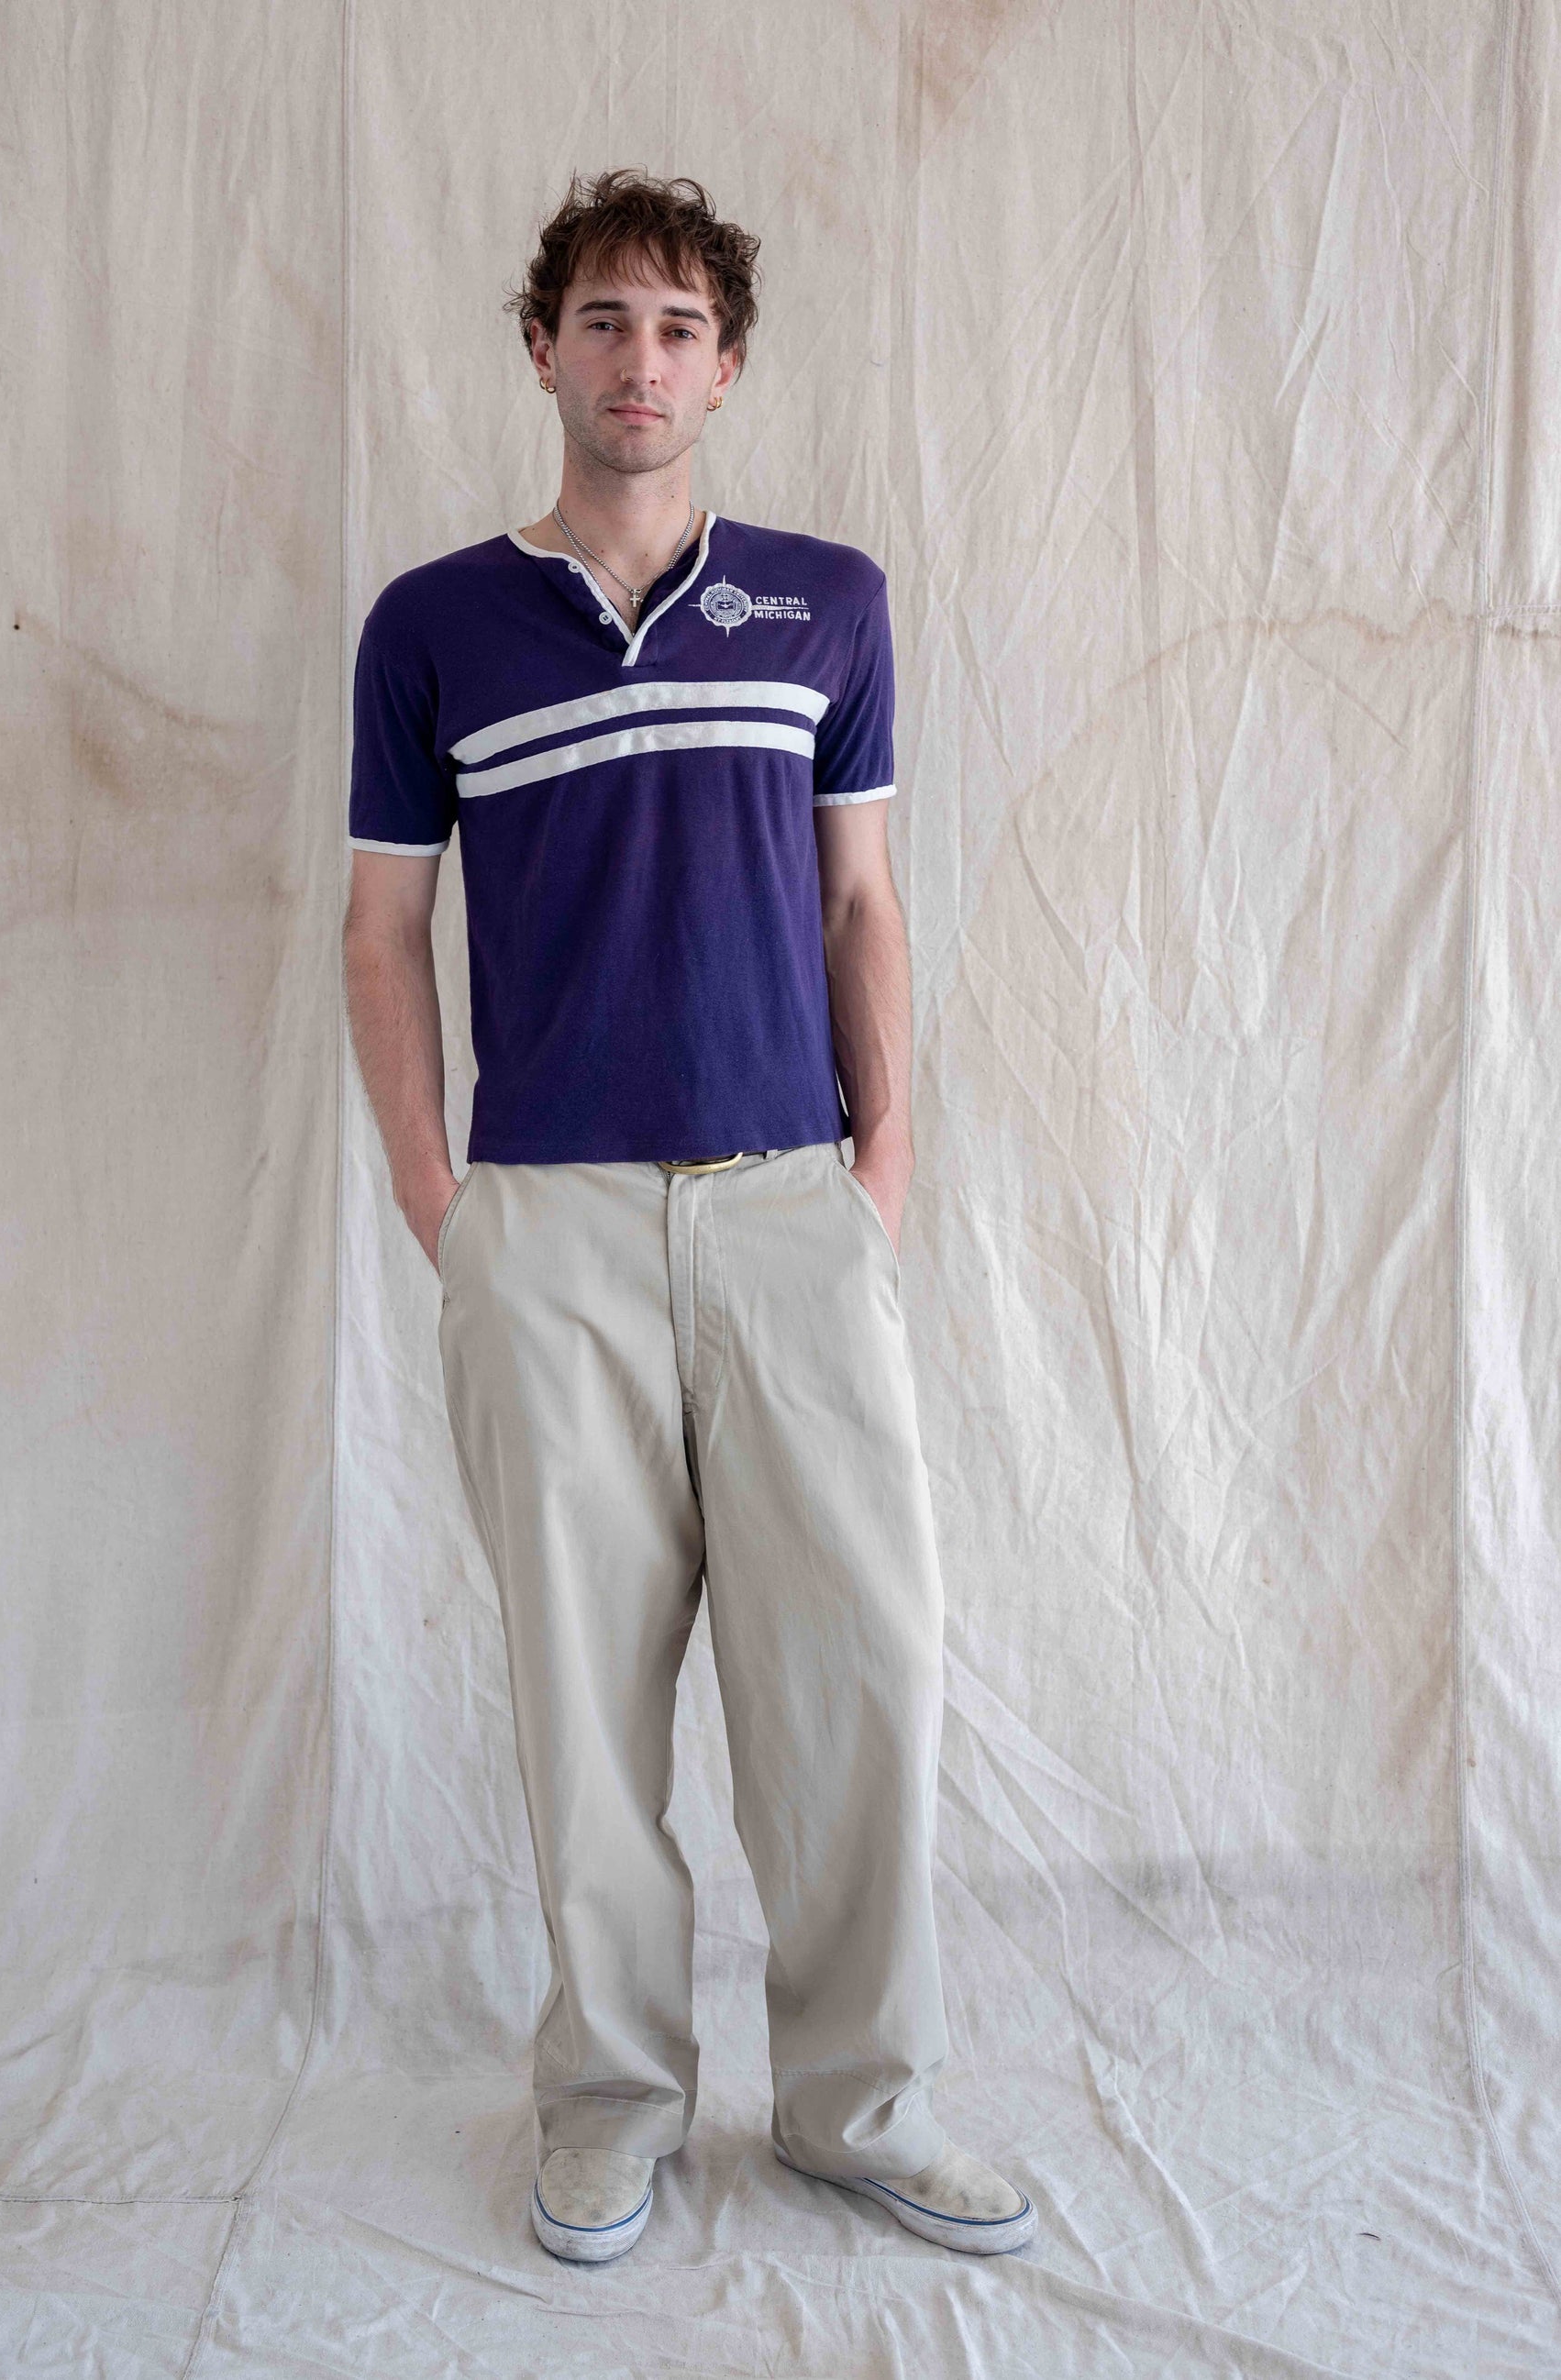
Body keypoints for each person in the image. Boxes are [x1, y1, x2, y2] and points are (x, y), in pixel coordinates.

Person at [341, 167, 1035, 2266]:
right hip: (543, 1229)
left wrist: (879, 1165)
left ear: (724, 366)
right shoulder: (431, 627)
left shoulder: (827, 603)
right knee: (586, 1700)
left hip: (786, 1210)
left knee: (858, 1672)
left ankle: (856, 2101)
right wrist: (437, 1198)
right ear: (539, 347)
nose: (636, 359)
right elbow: (382, 930)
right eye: (602, 319)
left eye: (675, 327)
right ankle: (610, 2103)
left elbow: (860, 896)